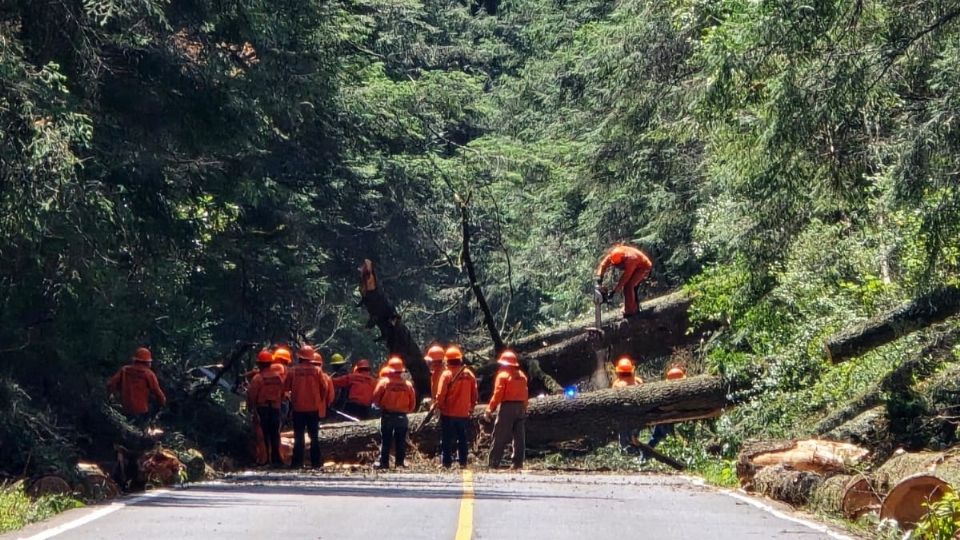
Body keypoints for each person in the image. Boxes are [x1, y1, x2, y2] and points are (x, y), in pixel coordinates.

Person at [284, 345, 329, 468]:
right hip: (313, 408)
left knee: (299, 436)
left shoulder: (293, 370)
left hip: (298, 409)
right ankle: (316, 463)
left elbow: (285, 387)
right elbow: (324, 388)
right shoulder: (317, 371)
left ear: (300, 357)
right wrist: (318, 400)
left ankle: (297, 463)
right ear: (310, 357)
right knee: (314, 437)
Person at [435, 345, 478, 469]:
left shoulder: (446, 374)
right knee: (462, 439)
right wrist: (471, 407)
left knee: (447, 439)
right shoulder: (469, 374)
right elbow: (474, 393)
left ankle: (446, 463)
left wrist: (439, 406)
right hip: (463, 413)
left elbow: (440, 394)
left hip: (448, 413)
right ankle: (463, 462)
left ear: (447, 360)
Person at [484, 350, 528, 469]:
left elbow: (498, 394)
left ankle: (493, 463)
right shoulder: (522, 376)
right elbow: (525, 393)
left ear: (504, 363)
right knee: (519, 437)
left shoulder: (503, 375)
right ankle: (518, 463)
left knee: (500, 435)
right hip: (520, 407)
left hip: (507, 407)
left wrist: (489, 409)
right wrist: (524, 406)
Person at [107, 347, 167, 430]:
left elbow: (111, 384)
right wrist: (163, 403)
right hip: (141, 411)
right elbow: (157, 392)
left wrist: (109, 396)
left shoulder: (124, 370)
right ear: (147, 362)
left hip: (125, 409)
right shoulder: (149, 374)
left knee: (126, 431)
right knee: (140, 432)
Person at [372, 356, 416, 469]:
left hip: (388, 416)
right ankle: (399, 463)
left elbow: (376, 399)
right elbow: (413, 404)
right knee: (400, 441)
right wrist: (405, 410)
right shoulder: (408, 385)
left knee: (386, 440)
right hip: (402, 417)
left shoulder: (384, 383)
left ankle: (384, 463)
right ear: (401, 370)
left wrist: (381, 406)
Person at [247, 349, 285, 467]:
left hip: (262, 409)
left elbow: (252, 395)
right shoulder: (278, 377)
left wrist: (251, 409)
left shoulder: (257, 378)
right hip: (275, 408)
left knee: (263, 435)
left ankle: (264, 460)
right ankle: (277, 459)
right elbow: (282, 393)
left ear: (260, 364)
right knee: (275, 434)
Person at [595, 244, 653, 317]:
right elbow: (603, 265)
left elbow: (625, 278)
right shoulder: (614, 254)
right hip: (636, 266)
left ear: (623, 259)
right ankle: (631, 307)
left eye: (619, 265)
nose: (618, 267)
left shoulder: (631, 259)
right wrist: (599, 278)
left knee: (629, 286)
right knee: (629, 287)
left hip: (644, 267)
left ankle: (631, 311)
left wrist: (614, 291)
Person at [647, 366, 686, 450]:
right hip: (667, 417)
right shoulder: (681, 391)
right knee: (667, 437)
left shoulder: (665, 390)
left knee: (657, 437)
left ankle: (646, 454)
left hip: (663, 416)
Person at [611, 356, 643, 454]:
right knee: (633, 430)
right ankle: (633, 445)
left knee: (624, 429)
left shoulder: (616, 384)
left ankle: (626, 447)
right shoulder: (638, 381)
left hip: (624, 414)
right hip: (637, 412)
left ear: (618, 372)